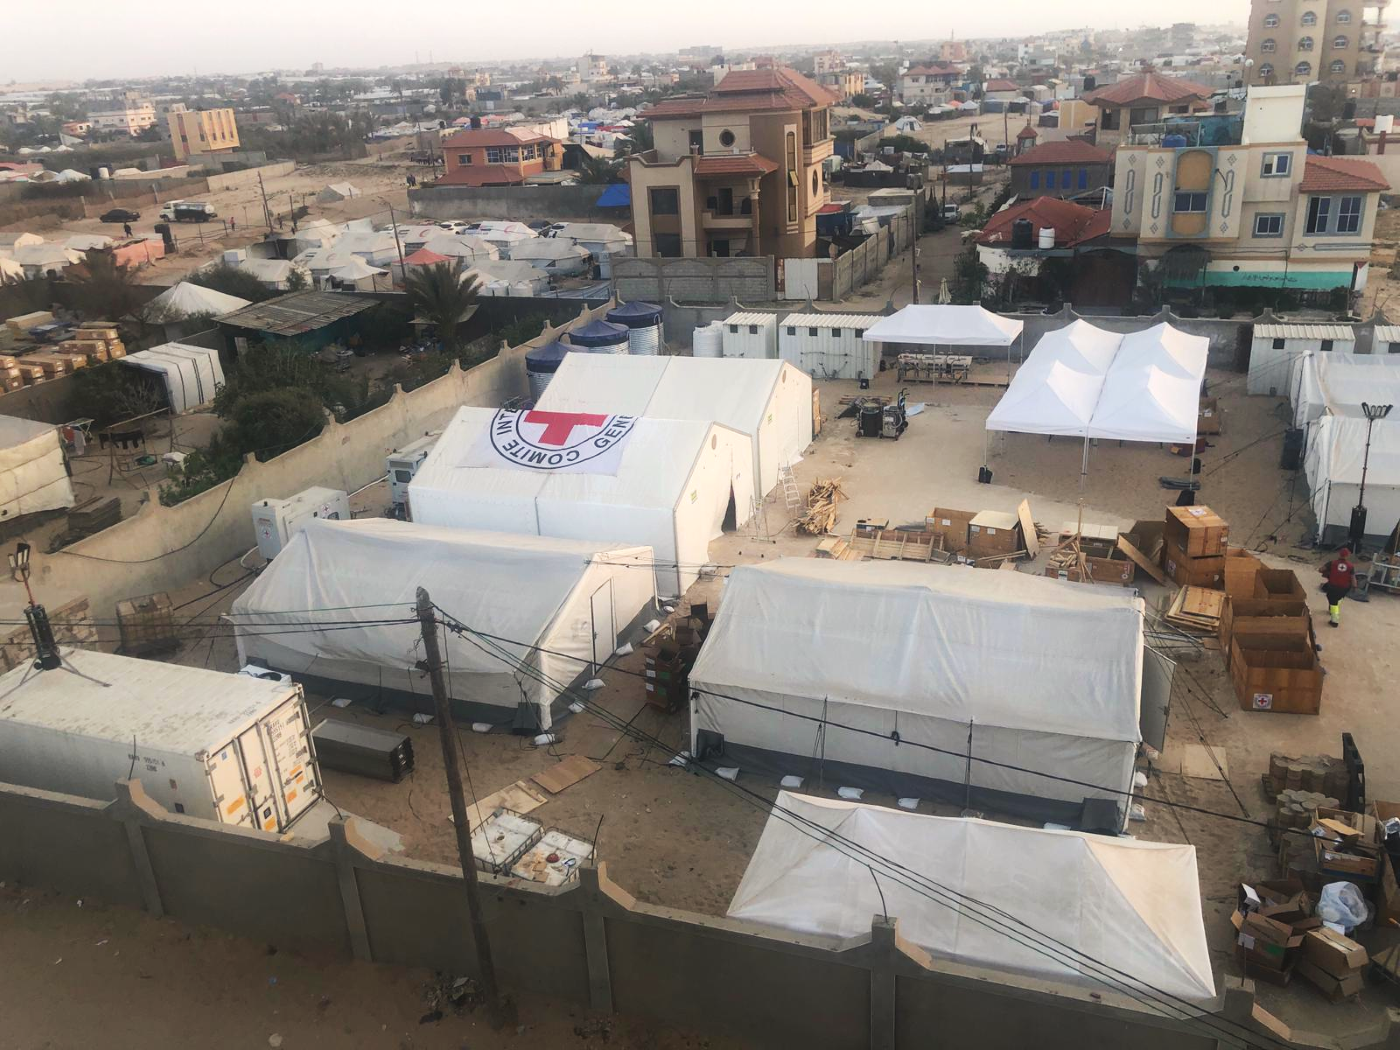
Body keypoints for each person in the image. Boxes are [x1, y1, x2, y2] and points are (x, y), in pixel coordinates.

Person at [1319, 548, 1358, 628]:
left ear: (1339, 554)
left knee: (1333, 603)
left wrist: (1326, 572)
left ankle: (1334, 621)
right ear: (1347, 556)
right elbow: (1353, 579)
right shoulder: (1351, 566)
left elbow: (1321, 569)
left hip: (1333, 587)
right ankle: (1334, 606)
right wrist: (1354, 587)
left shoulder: (1332, 563)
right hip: (1344, 588)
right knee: (1338, 598)